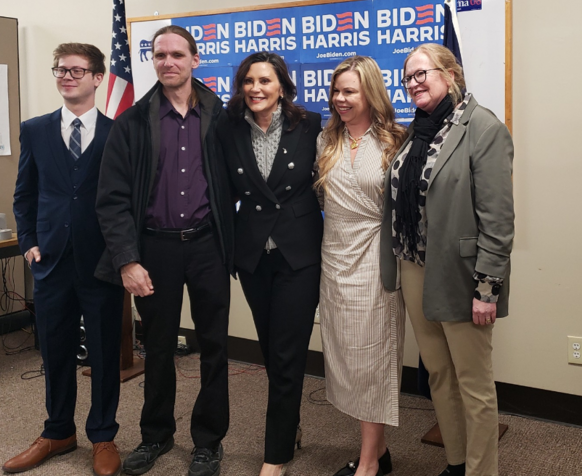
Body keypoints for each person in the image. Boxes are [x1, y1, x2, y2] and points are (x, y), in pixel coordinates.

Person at [94, 25, 234, 476]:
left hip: (209, 245)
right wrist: (127, 260)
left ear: (195, 59)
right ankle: (155, 435)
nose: (168, 62)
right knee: (157, 347)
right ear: (152, 61)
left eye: (177, 54)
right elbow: (111, 199)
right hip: (154, 248)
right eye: (160, 55)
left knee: (214, 345)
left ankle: (208, 442)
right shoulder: (133, 122)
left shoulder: (222, 115)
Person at [380, 43, 514, 476]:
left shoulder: (484, 128)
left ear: (451, 73)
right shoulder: (414, 132)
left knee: (474, 384)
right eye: (408, 77)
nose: (414, 83)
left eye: (422, 73)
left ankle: (481, 471)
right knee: (438, 373)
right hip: (415, 268)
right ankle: (456, 463)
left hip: (463, 276)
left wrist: (487, 289)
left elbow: (498, 219)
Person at [8, 43, 123, 476]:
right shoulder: (35, 130)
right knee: (54, 350)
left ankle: (103, 435)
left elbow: (127, 200)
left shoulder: (118, 132)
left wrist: (124, 254)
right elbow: (25, 192)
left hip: (102, 262)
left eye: (77, 70)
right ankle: (58, 430)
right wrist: (28, 242)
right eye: (61, 70)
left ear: (97, 78)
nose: (67, 76)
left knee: (104, 350)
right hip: (51, 260)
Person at [217, 52, 323, 476]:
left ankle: (275, 455)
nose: (256, 89)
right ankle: (291, 424)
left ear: (283, 85)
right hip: (254, 253)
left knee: (286, 352)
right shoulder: (227, 128)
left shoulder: (311, 124)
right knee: (271, 351)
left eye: (265, 80)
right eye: (248, 81)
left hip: (299, 253)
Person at [315, 56, 406, 476]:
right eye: (336, 91)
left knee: (373, 358)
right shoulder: (325, 141)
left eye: (349, 91)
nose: (340, 99)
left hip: (375, 256)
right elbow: (321, 201)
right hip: (334, 257)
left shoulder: (395, 140)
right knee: (348, 359)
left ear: (370, 92)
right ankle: (379, 452)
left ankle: (368, 463)